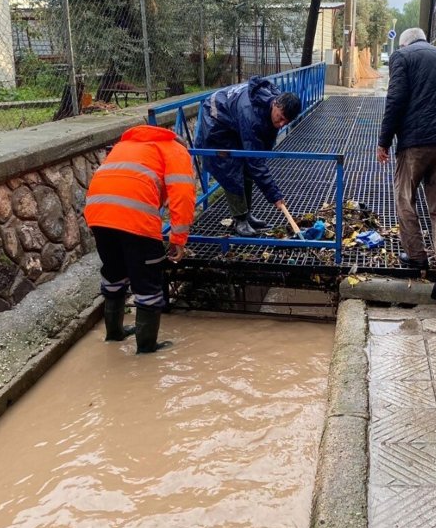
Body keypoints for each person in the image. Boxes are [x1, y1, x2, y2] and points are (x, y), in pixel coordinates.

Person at [84, 123, 196, 353]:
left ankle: (114, 335)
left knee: (114, 273)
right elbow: (183, 195)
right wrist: (178, 239)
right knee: (147, 282)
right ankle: (146, 349)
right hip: (135, 217)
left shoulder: (126, 145)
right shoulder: (175, 151)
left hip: (98, 214)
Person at [377, 27, 436, 301]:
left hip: (416, 143)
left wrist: (383, 141)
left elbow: (395, 99)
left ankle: (417, 257)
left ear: (404, 43)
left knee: (405, 197)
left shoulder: (402, 57)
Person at [194, 76, 302, 237]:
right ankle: (240, 219)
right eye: (280, 118)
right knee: (230, 168)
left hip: (234, 118)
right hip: (216, 120)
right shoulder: (250, 115)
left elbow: (261, 151)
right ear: (275, 104)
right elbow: (255, 160)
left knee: (249, 169)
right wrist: (274, 195)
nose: (281, 124)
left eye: (285, 122)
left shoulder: (276, 107)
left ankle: (247, 214)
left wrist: (260, 164)